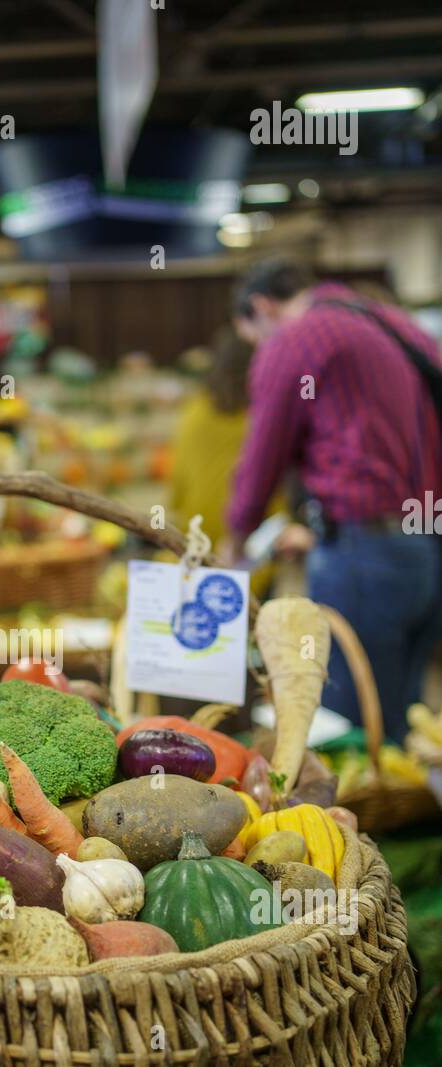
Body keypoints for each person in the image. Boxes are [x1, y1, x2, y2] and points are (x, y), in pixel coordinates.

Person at [223, 258, 442, 742]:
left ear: (262, 308)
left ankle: (359, 818)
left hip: (364, 554)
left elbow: (262, 456)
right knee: (402, 719)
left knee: (346, 724)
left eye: (254, 338)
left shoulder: (299, 336)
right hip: (423, 544)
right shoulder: (385, 319)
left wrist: (234, 543)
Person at [169, 327, 254, 550]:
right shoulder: (259, 416)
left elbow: (178, 477)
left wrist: (174, 509)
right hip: (248, 530)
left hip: (198, 526)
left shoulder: (195, 411)